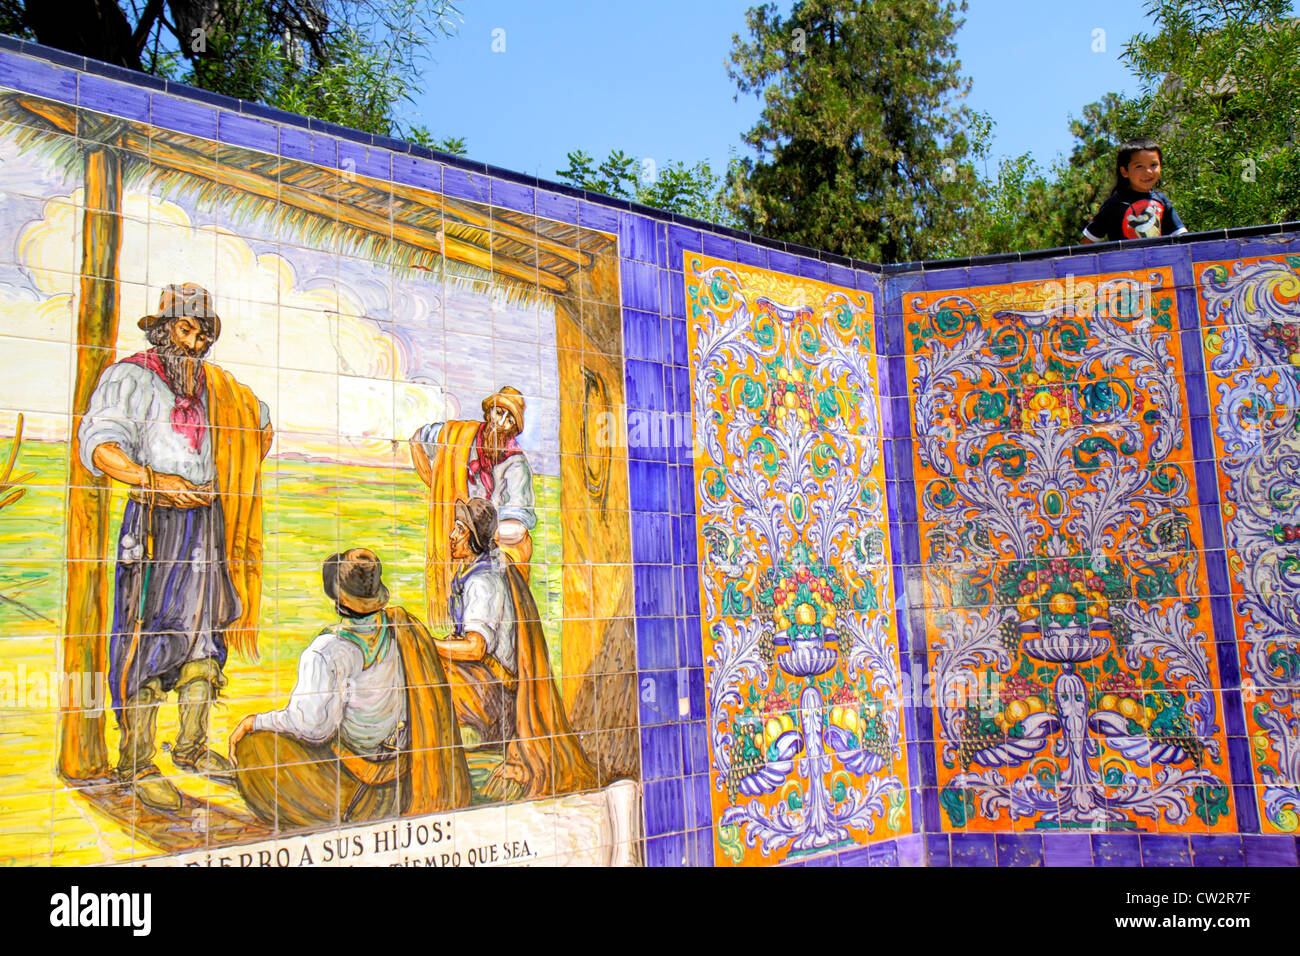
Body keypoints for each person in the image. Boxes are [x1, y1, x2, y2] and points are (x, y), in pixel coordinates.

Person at [78, 283, 271, 813]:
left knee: (207, 637)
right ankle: (136, 763)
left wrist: (236, 462)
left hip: (209, 526)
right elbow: (102, 446)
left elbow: (260, 425)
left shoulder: (218, 388)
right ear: (163, 332)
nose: (193, 344)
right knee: (148, 638)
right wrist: (154, 479)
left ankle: (190, 747)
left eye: (202, 335)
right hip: (155, 522)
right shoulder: (130, 378)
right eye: (185, 331)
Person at [228, 549, 471, 829]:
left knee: (255, 748)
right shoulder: (401, 630)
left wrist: (255, 721)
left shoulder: (327, 651)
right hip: (400, 763)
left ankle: (355, 807)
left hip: (359, 768)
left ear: (339, 598)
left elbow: (313, 727)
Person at [435, 497, 596, 800]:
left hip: (500, 696)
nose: (452, 535)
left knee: (431, 674)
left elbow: (475, 649)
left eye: (460, 529)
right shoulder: (476, 571)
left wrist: (428, 644)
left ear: (473, 540)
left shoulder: (482, 582)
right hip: (489, 683)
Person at [409, 386, 537, 630]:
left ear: (514, 428)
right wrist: (436, 483)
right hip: (462, 528)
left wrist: (479, 534)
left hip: (493, 543)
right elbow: (418, 439)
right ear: (489, 412)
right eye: (499, 412)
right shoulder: (461, 435)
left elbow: (517, 528)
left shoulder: (516, 464)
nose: (501, 422)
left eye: (509, 419)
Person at [1082, 138, 1188, 243]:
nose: (1148, 172)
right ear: (1124, 171)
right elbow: (1087, 243)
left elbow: (1182, 238)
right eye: (1139, 166)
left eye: (1153, 165)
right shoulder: (1114, 204)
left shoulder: (1162, 201)